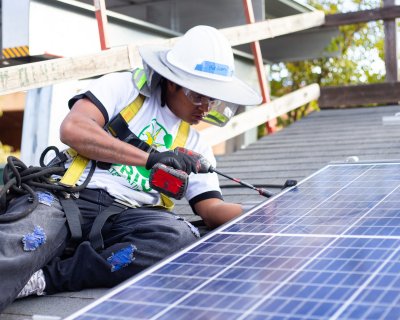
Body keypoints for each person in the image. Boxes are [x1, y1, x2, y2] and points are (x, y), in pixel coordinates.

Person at [0, 25, 261, 311]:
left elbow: (211, 209)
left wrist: (263, 213)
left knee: (179, 238)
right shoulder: (123, 88)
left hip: (128, 218)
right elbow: (74, 128)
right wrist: (151, 159)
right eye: (198, 96)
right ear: (173, 82)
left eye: (212, 99)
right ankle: (30, 261)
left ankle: (45, 279)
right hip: (69, 196)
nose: (205, 107)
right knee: (26, 240)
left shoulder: (196, 143)